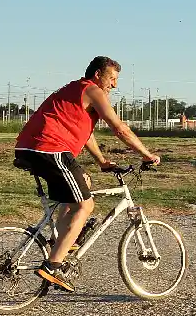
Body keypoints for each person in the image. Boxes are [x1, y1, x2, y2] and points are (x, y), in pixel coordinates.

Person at [14, 56, 160, 291]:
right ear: (97, 75)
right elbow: (120, 128)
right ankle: (53, 266)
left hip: (31, 148)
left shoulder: (75, 89)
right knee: (86, 205)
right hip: (49, 148)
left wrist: (101, 160)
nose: (114, 85)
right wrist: (146, 154)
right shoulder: (93, 90)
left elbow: (84, 132)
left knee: (82, 184)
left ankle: (61, 241)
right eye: (111, 79)